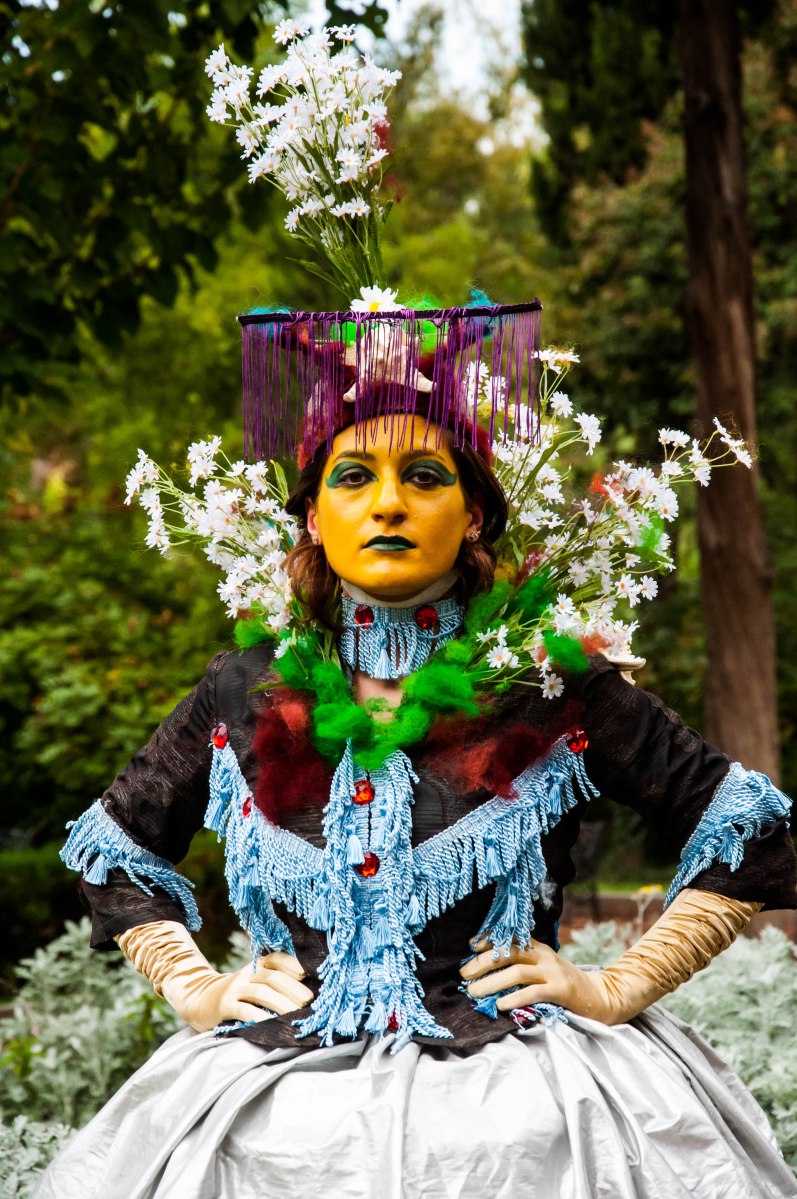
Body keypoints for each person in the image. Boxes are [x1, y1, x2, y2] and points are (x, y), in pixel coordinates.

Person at [35, 378, 797, 1197]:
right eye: (354, 478)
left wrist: (615, 986)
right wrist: (195, 986)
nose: (389, 503)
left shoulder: (547, 681)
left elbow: (747, 827)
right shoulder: (244, 687)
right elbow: (114, 847)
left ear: (472, 516)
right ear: (312, 518)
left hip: (528, 1106)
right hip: (270, 1107)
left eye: (425, 477)